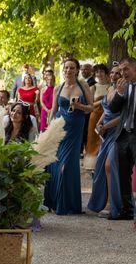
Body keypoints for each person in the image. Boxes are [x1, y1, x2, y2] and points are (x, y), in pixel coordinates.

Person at [44, 58, 93, 215]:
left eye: (72, 68)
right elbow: (53, 110)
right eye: (66, 68)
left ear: (77, 70)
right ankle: (54, 201)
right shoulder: (58, 88)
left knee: (67, 164)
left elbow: (91, 108)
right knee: (55, 162)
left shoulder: (83, 85)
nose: (68, 70)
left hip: (75, 128)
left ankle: (67, 204)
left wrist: (79, 106)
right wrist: (49, 130)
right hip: (59, 127)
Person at [87, 64, 129, 218]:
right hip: (105, 132)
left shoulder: (126, 91)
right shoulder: (110, 89)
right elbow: (106, 109)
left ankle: (113, 204)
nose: (113, 75)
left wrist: (106, 125)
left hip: (118, 132)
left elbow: (123, 116)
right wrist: (99, 122)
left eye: (117, 73)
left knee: (109, 166)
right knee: (100, 168)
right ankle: (102, 201)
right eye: (112, 73)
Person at [107, 56, 136, 221]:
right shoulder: (123, 86)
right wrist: (119, 93)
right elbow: (112, 109)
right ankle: (127, 210)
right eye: (121, 70)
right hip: (123, 134)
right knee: (123, 173)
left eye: (126, 69)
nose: (123, 73)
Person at [84, 64, 111, 170]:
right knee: (92, 139)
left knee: (105, 139)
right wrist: (102, 101)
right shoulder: (93, 87)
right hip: (95, 116)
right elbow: (90, 105)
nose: (99, 74)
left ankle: (104, 162)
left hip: (107, 116)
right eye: (97, 72)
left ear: (105, 73)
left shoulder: (110, 86)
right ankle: (91, 164)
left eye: (101, 72)